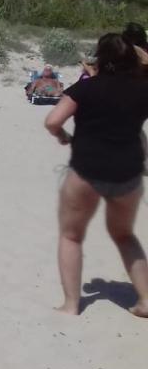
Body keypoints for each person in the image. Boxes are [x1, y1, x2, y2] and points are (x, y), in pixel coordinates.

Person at [44, 33, 148, 317]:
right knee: (125, 236)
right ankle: (146, 300)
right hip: (128, 174)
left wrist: (64, 136)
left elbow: (52, 121)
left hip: (87, 171)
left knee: (71, 236)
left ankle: (71, 305)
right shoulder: (142, 89)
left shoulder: (85, 89)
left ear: (100, 58)